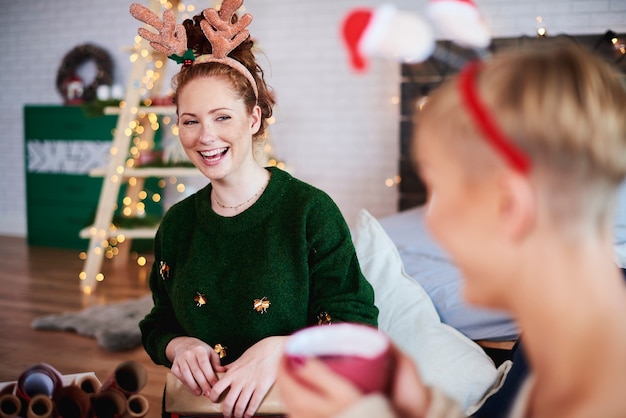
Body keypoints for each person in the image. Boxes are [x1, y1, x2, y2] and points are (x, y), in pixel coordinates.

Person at [277, 42, 626, 418]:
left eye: (442, 190)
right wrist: (424, 407)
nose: (432, 220)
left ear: (511, 205)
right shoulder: (561, 323)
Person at [129, 2, 379, 417]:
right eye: (190, 121)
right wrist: (179, 345)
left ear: (253, 118)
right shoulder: (176, 224)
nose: (205, 136)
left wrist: (282, 349)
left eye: (222, 117)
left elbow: (357, 325)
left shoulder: (309, 212)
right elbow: (159, 322)